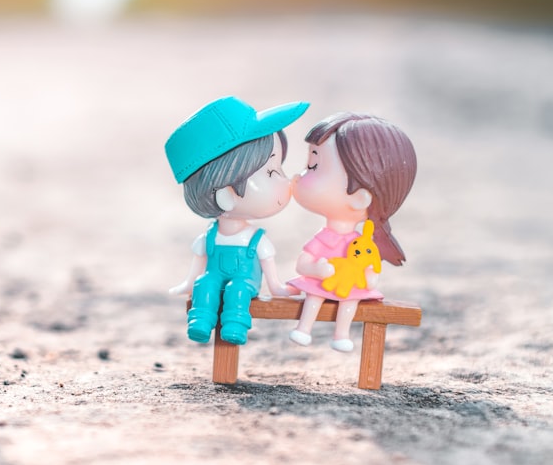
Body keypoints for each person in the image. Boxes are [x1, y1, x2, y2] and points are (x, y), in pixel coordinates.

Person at [165, 96, 309, 345]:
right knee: (204, 284)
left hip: (245, 282)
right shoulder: (210, 237)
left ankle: (236, 325)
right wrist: (188, 284)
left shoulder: (257, 239)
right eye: (272, 172)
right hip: (214, 276)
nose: (287, 181)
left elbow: (270, 274)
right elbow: (198, 267)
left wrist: (279, 290)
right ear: (227, 195)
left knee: (238, 291)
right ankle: (199, 321)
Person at [286, 112, 417, 352]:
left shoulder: (363, 242)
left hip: (349, 284)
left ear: (359, 198)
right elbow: (302, 264)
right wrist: (316, 269)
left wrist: (369, 278)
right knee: (313, 297)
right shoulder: (326, 237)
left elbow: (371, 267)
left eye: (314, 166)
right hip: (324, 282)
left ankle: (342, 334)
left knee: (351, 300)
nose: (299, 176)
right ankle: (304, 329)